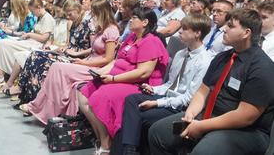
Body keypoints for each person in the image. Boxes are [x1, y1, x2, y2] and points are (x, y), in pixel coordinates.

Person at [149, 8, 274, 155]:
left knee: (203, 151)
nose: (224, 29)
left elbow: (245, 117)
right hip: (210, 115)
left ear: (246, 33)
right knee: (157, 133)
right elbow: (202, 92)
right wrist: (191, 112)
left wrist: (202, 126)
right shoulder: (222, 58)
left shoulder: (262, 67)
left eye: (231, 26)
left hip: (245, 130)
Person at [78, 8, 169, 155]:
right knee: (82, 93)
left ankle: (107, 142)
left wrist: (113, 79)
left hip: (139, 85)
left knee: (100, 96)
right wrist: (101, 73)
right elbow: (116, 61)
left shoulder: (151, 41)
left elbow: (143, 73)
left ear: (145, 22)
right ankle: (101, 136)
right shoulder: (132, 37)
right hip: (118, 78)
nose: (130, 20)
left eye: (134, 17)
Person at [119, 14, 212, 155]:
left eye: (185, 29)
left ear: (197, 33)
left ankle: (128, 151)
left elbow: (188, 98)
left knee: (135, 120)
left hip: (180, 107)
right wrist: (154, 88)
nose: (179, 31)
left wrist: (157, 103)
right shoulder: (181, 54)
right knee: (131, 99)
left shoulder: (205, 61)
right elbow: (170, 84)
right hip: (168, 97)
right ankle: (129, 150)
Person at [19, 0, 119, 123]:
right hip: (89, 62)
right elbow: (93, 49)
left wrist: (83, 62)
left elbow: (108, 59)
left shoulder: (111, 30)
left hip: (97, 68)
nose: (92, 15)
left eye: (94, 12)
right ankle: (43, 107)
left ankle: (40, 106)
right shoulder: (101, 28)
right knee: (55, 67)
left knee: (57, 67)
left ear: (102, 12)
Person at [17, 0, 92, 104]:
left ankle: (38, 99)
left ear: (77, 10)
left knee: (42, 62)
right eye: (67, 15)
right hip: (68, 52)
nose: (68, 17)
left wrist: (77, 53)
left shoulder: (89, 23)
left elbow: (92, 48)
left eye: (70, 14)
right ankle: (28, 94)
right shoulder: (74, 22)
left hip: (78, 57)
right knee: (34, 55)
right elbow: (69, 43)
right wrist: (62, 48)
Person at [0, 0, 70, 96]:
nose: (56, 13)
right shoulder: (56, 20)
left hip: (59, 50)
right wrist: (47, 45)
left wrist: (55, 46)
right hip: (51, 47)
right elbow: (50, 39)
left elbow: (67, 43)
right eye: (55, 11)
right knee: (20, 55)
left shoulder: (67, 23)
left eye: (58, 11)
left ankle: (19, 86)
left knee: (29, 56)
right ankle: (12, 82)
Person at [0, 0, 55, 86]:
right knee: (1, 42)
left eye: (32, 11)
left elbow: (43, 38)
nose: (32, 13)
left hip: (37, 44)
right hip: (31, 41)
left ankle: (0, 75)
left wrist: (29, 34)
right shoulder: (40, 17)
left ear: (38, 7)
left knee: (4, 44)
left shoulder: (48, 18)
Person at [0, 0, 37, 65]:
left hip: (24, 39)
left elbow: (26, 34)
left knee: (0, 35)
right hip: (19, 35)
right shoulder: (24, 15)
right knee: (0, 32)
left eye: (14, 7)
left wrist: (11, 32)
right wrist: (6, 29)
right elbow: (19, 29)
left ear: (19, 7)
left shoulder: (30, 17)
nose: (13, 9)